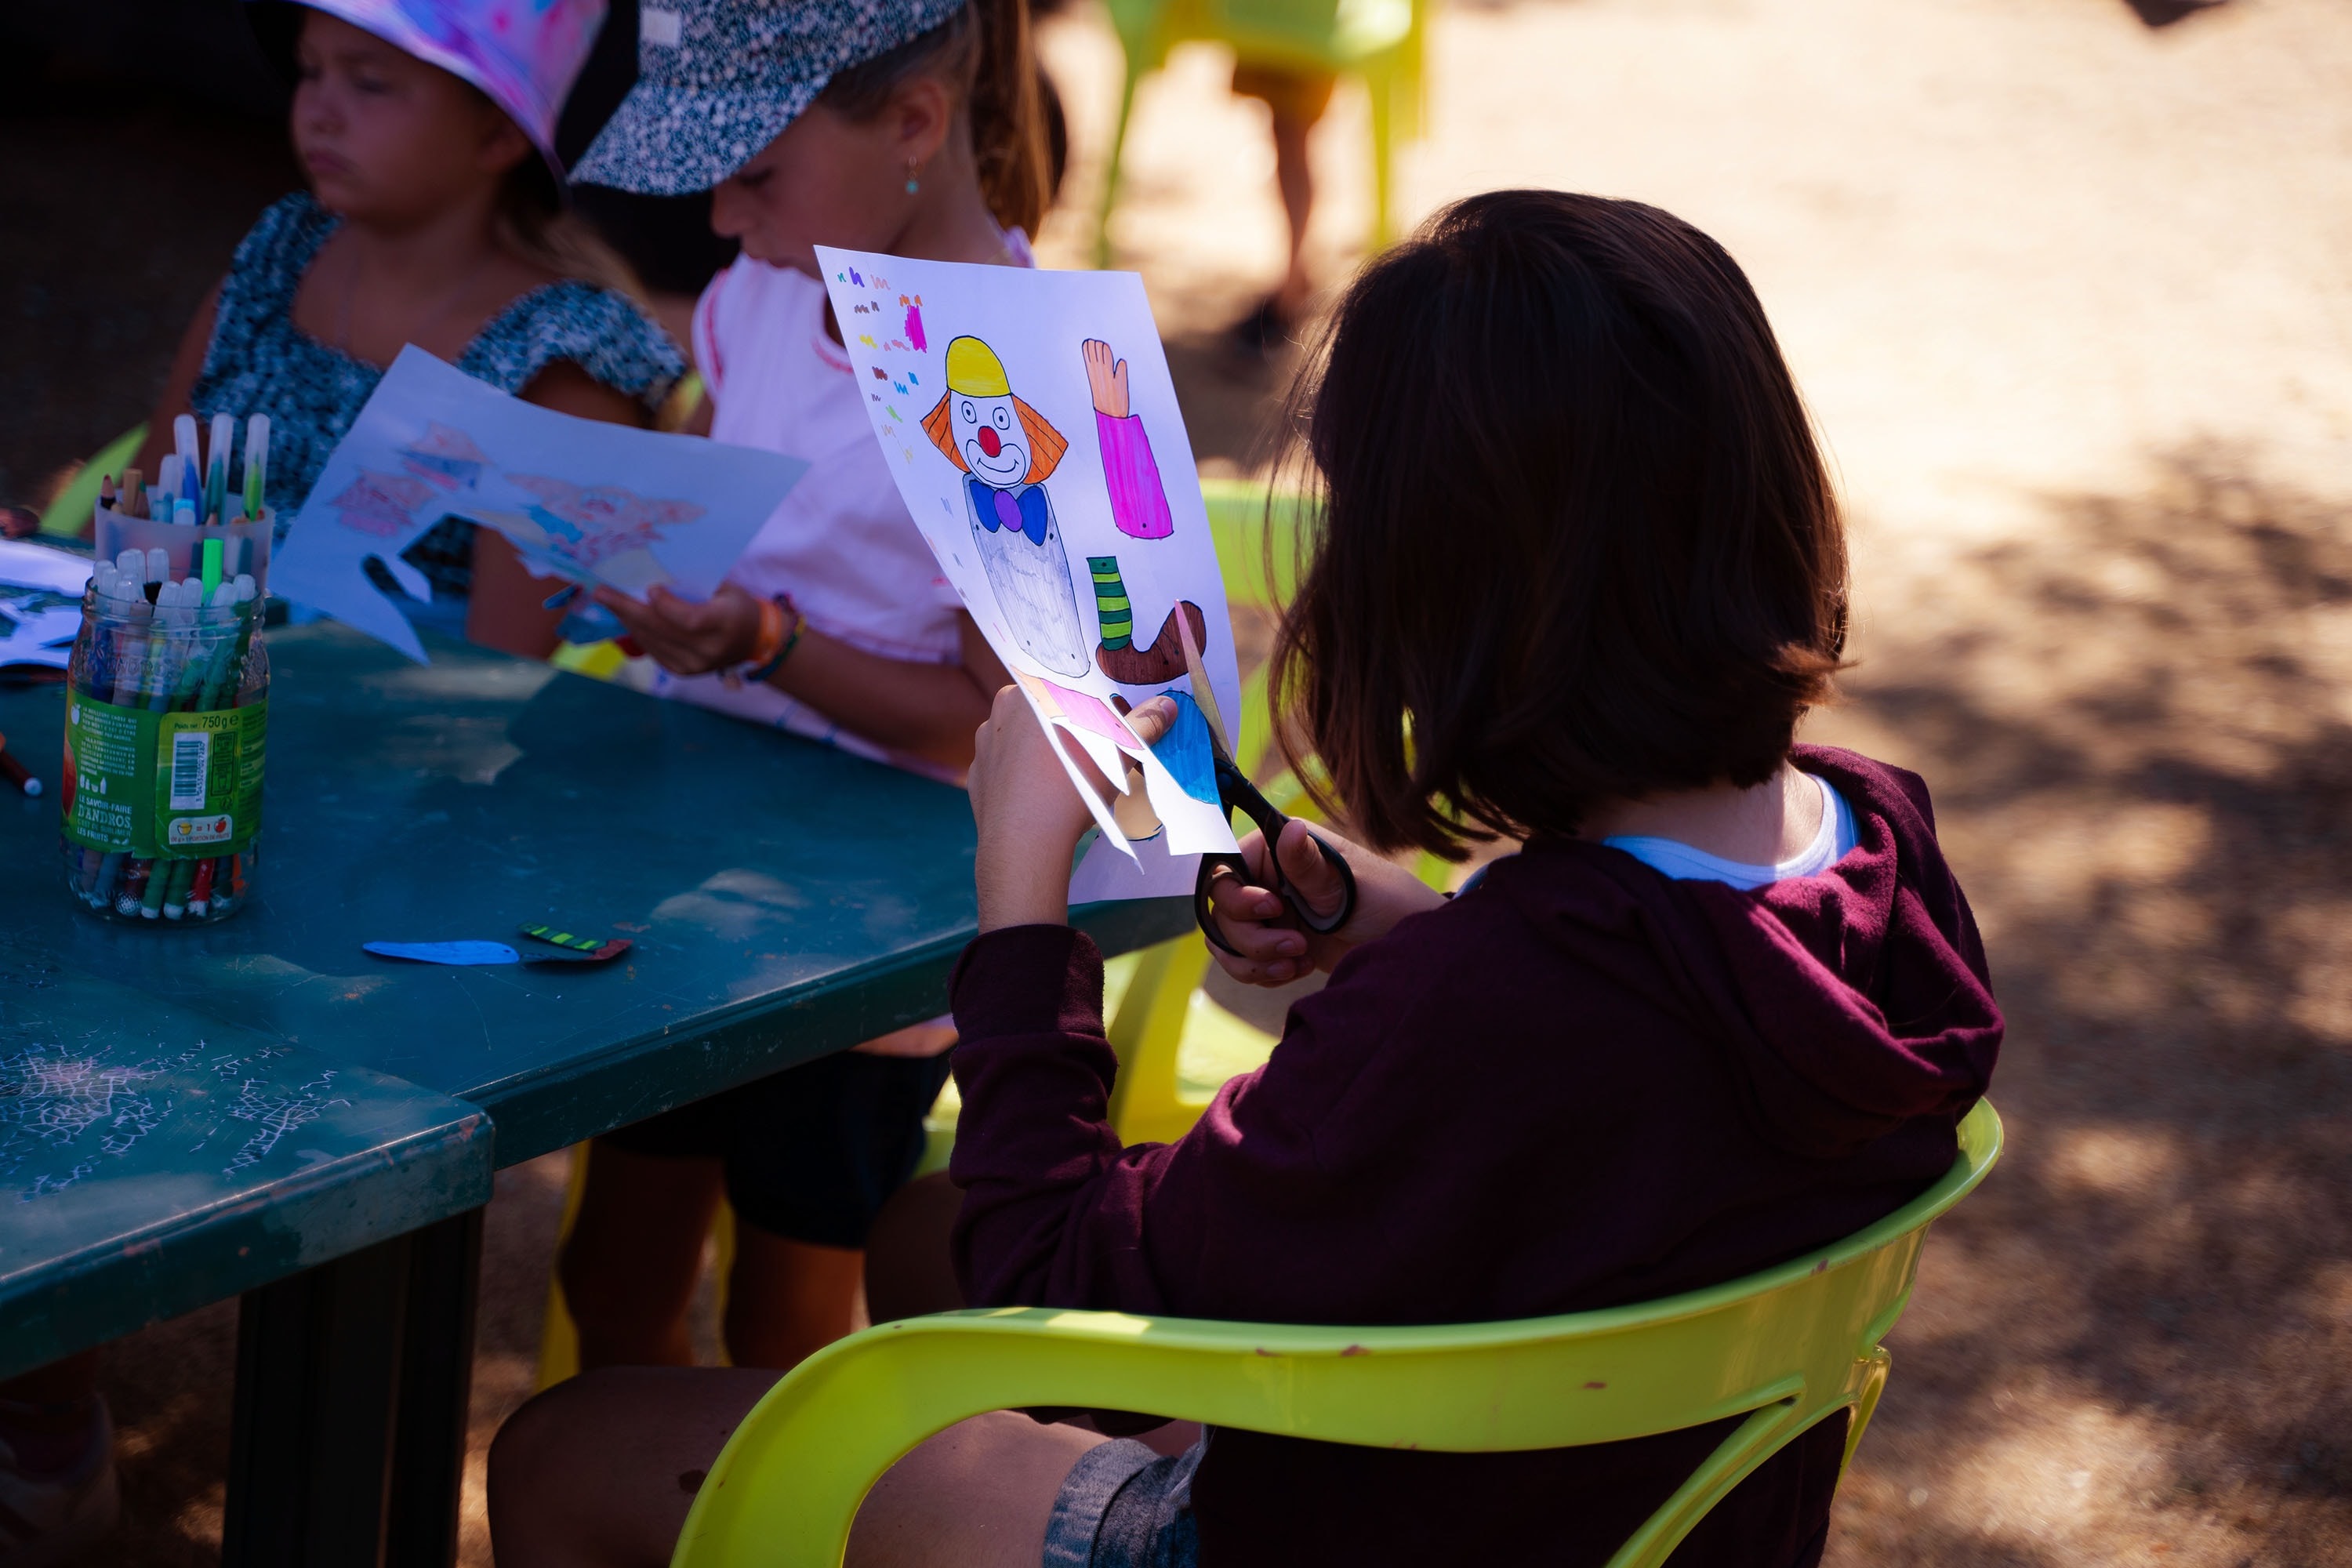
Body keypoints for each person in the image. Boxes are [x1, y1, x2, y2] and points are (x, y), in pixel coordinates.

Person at [485, 189, 2005, 1568]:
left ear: (1442, 595)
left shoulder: (1485, 1010)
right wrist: (1429, 932)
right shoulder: (1882, 848)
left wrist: (1021, 892)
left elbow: (1046, 1274)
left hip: (1338, 1527)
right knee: (918, 1229)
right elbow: (1629, 1050)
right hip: (1610, 1509)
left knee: (571, 1445)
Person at [545, 0, 1047, 1376]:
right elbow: (722, 506)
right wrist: (642, 573)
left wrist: (766, 642)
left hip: (871, 937)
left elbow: (1003, 724)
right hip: (690, 868)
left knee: (788, 1328)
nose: (721, 215)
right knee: (614, 1274)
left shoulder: (1002, 378)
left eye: (756, 172)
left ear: (916, 123)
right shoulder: (765, 288)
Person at [132, 0, 685, 659]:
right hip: (180, 684)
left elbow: (494, 677)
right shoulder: (280, 256)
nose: (320, 112)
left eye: (370, 83)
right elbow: (145, 516)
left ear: (498, 135)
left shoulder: (565, 357)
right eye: (311, 71)